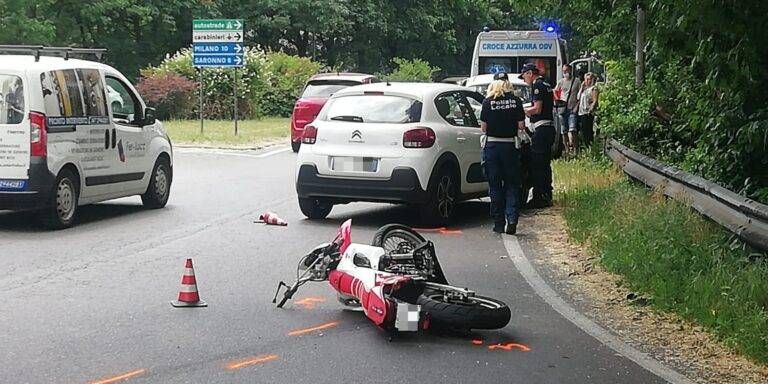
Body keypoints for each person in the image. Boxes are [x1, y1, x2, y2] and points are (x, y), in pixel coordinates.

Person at [479, 72, 526, 234]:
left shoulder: (487, 102)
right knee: (512, 184)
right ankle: (511, 218)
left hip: (492, 146)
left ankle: (498, 223)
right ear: (507, 83)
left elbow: (483, 128)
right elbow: (521, 126)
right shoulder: (516, 101)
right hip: (509, 146)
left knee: (495, 186)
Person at [520, 63, 555, 208]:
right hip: (547, 129)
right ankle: (546, 194)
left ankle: (539, 197)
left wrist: (522, 111)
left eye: (523, 76)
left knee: (538, 165)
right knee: (545, 164)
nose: (524, 80)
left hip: (541, 130)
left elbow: (537, 109)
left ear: (529, 73)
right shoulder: (546, 83)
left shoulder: (537, 85)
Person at [554, 64, 581, 155]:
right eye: (564, 71)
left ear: (571, 70)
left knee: (572, 129)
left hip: (572, 109)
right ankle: (566, 150)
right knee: (563, 131)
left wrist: (577, 106)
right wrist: (557, 99)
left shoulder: (576, 81)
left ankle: (575, 149)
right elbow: (555, 90)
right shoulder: (561, 81)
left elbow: (580, 95)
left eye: (567, 71)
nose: (565, 73)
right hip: (562, 109)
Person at [576, 72, 599, 147]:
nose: (587, 81)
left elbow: (595, 100)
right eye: (586, 79)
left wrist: (591, 109)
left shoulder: (593, 89)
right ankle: (586, 146)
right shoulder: (585, 90)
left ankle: (590, 147)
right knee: (583, 131)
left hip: (587, 113)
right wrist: (582, 87)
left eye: (589, 79)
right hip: (581, 113)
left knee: (588, 131)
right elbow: (578, 97)